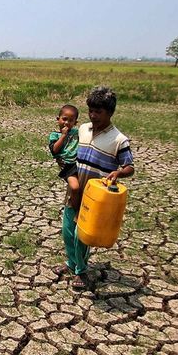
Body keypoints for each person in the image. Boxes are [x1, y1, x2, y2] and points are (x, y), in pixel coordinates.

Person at [58, 86, 134, 290]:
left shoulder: (119, 139)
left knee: (82, 236)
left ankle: (80, 271)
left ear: (110, 112)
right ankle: (71, 263)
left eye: (98, 112)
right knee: (67, 232)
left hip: (95, 198)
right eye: (91, 110)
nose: (93, 115)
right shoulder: (83, 129)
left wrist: (119, 173)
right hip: (74, 191)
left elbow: (129, 166)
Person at [48, 104, 81, 201]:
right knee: (75, 187)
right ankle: (73, 205)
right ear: (58, 119)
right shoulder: (55, 135)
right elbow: (54, 150)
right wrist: (63, 136)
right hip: (67, 165)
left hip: (79, 163)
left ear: (75, 122)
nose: (66, 123)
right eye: (64, 119)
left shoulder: (76, 132)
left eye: (71, 121)